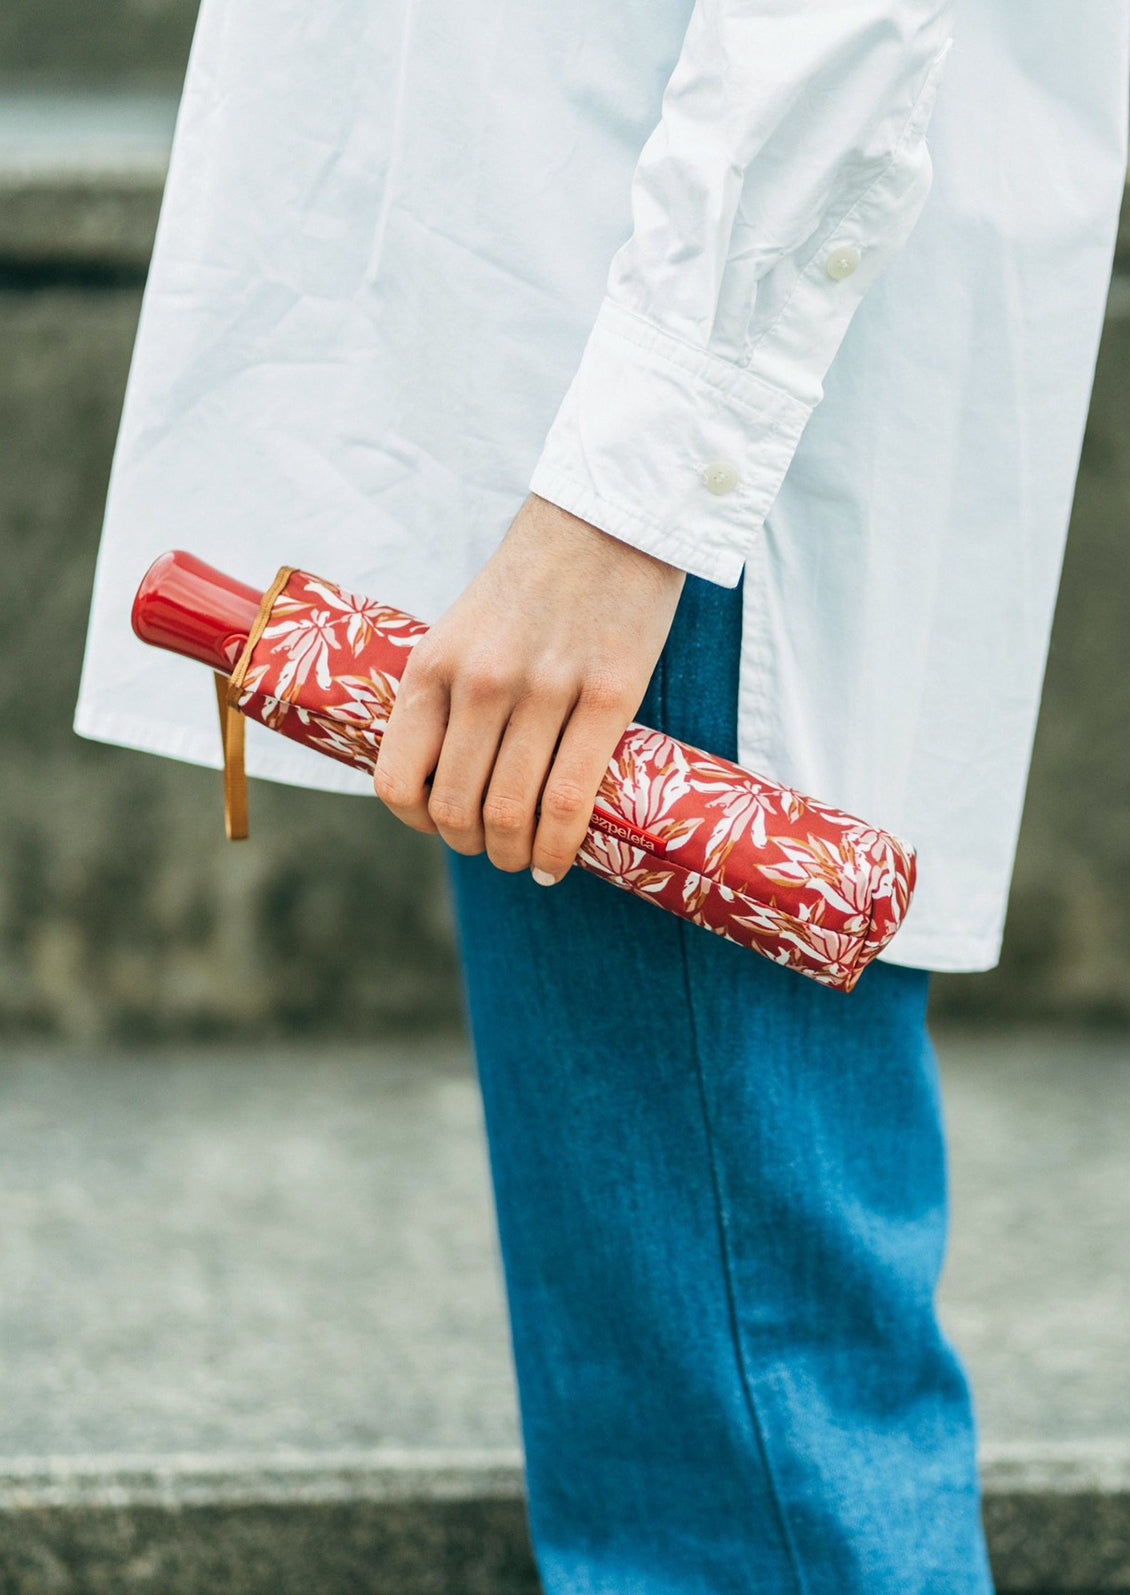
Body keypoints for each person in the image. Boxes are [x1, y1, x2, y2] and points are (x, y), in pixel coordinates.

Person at [75, 0, 1129, 1587]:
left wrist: (630, 496)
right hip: (613, 351)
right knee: (703, 1441)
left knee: (734, 1492)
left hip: (682, 403)